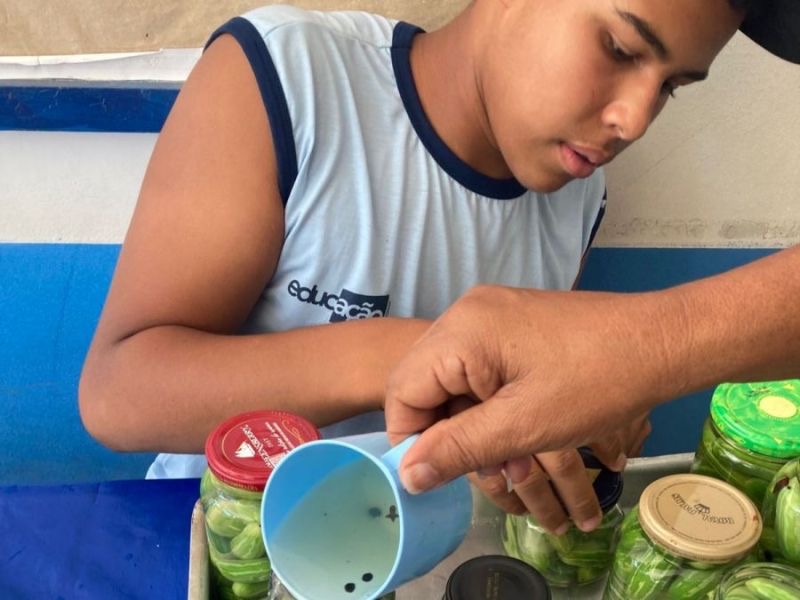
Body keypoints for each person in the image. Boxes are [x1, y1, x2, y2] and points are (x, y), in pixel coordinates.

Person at [77, 0, 793, 536]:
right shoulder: (289, 79)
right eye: (617, 46)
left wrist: (575, 420)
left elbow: (507, 415)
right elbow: (118, 392)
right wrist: (416, 353)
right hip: (230, 552)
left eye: (671, 87)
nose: (634, 120)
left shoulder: (577, 195)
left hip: (419, 556)